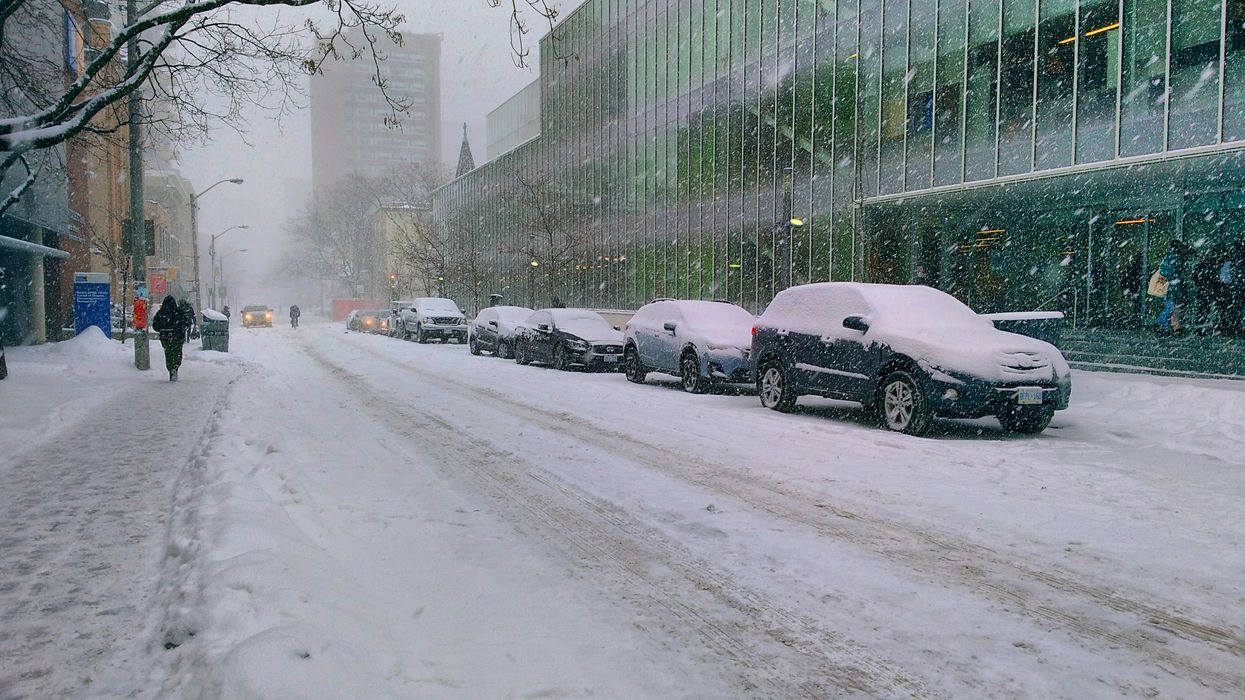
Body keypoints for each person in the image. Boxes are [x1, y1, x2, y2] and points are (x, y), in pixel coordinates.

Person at [1155, 239, 1193, 334]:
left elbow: (1165, 273)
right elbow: (1171, 273)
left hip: (1172, 287)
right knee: (1171, 308)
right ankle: (1163, 325)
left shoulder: (1170, 257)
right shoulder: (1175, 258)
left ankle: (1166, 326)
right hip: (1174, 288)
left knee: (1172, 307)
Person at [152, 295, 191, 381]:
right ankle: (175, 367)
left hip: (165, 337)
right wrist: (181, 329)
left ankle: (170, 368)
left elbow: (155, 325)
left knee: (168, 353)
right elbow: (186, 323)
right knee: (177, 352)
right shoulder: (179, 312)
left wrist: (162, 329)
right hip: (177, 337)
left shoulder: (160, 313)